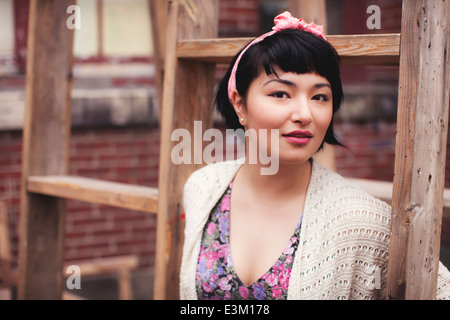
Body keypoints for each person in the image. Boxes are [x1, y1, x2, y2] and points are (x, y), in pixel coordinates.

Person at [179, 11, 450, 300]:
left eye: (319, 97)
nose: (304, 115)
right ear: (240, 105)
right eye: (281, 94)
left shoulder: (360, 218)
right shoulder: (203, 187)